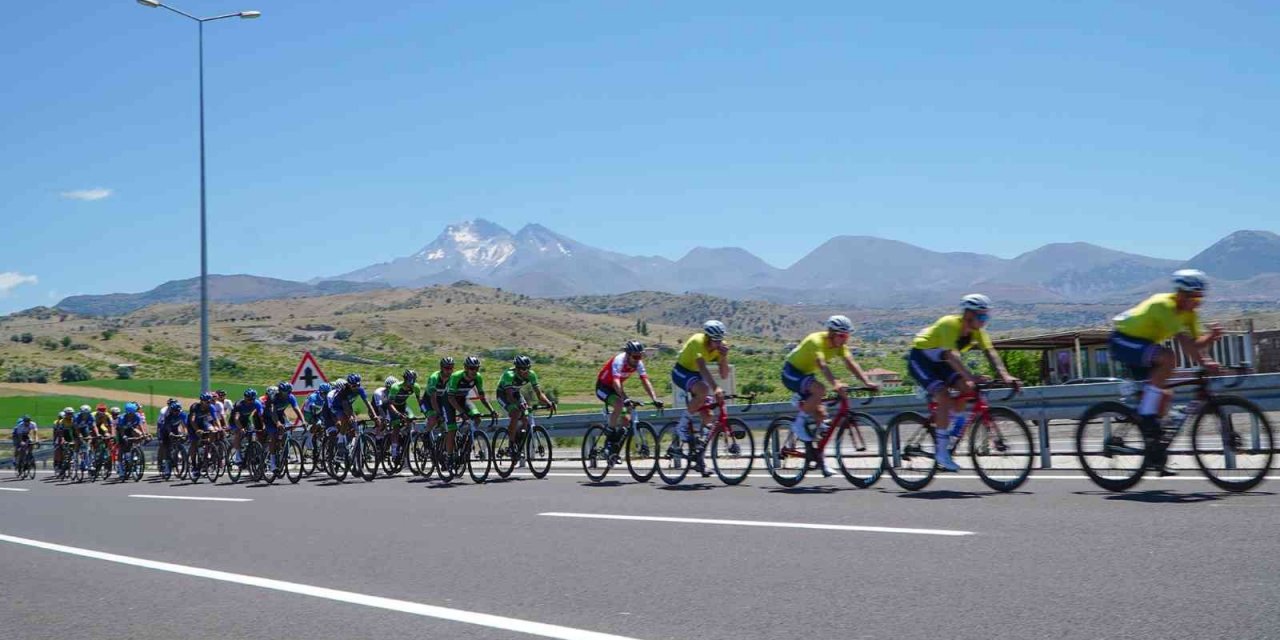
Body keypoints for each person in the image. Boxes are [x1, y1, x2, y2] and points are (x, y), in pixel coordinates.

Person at [1110, 269, 1222, 474]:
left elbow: (1196, 343)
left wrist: (1211, 337)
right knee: (1168, 357)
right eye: (1195, 297)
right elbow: (1184, 341)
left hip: (1144, 345)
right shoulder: (1164, 305)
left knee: (1165, 395)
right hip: (1124, 340)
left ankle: (1153, 452)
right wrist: (1206, 363)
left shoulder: (1189, 313)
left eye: (1200, 297)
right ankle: (1146, 416)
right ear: (1181, 294)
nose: (1198, 302)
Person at [906, 294, 1019, 472]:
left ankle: (949, 430)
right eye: (981, 316)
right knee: (943, 394)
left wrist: (1005, 375)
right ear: (968, 314)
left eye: (986, 316)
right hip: (921, 359)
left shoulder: (977, 332)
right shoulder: (949, 324)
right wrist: (970, 376)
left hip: (941, 362)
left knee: (967, 389)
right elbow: (952, 355)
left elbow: (991, 352)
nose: (984, 321)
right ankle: (942, 452)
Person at [781, 315, 880, 473]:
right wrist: (836, 384)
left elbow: (851, 363)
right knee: (820, 389)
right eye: (842, 335)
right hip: (791, 372)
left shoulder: (840, 346)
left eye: (847, 336)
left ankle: (820, 459)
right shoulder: (816, 341)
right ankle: (798, 424)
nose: (845, 339)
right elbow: (822, 365)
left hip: (806, 375)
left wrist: (867, 382)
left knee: (821, 416)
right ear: (831, 333)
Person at [671, 320, 731, 448]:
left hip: (695, 374)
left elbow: (724, 375)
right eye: (716, 340)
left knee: (708, 414)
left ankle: (699, 452)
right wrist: (716, 388)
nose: (718, 343)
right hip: (681, 371)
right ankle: (681, 427)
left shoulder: (720, 346)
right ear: (707, 338)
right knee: (704, 389)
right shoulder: (697, 342)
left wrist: (724, 357)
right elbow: (703, 368)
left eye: (721, 340)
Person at [495, 356, 555, 460]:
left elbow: (539, 394)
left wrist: (549, 403)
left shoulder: (531, 375)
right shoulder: (509, 375)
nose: (526, 371)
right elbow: (509, 396)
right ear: (517, 368)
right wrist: (518, 405)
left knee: (526, 419)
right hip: (503, 394)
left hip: (516, 393)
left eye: (528, 368)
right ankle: (511, 446)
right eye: (523, 369)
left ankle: (518, 445)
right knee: (515, 413)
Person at [596, 340, 663, 432]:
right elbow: (615, 381)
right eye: (635, 356)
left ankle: (619, 439)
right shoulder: (619, 361)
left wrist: (654, 399)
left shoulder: (638, 363)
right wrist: (624, 398)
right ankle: (610, 435)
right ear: (628, 355)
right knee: (619, 404)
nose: (638, 359)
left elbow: (645, 381)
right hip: (603, 387)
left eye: (640, 356)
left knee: (627, 416)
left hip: (617, 388)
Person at [444, 356, 496, 459]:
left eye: (476, 368)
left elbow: (482, 397)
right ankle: (449, 456)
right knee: (452, 429)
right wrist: (462, 412)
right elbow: (451, 399)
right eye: (472, 368)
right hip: (449, 400)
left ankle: (465, 439)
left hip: (463, 399)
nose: (474, 371)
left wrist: (492, 410)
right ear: (466, 368)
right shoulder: (456, 376)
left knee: (477, 419)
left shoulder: (478, 377)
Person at [385, 369, 425, 460]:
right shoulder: (395, 387)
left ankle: (405, 438)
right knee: (396, 427)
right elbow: (389, 403)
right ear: (405, 379)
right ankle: (394, 451)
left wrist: (424, 411)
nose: (411, 382)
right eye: (409, 380)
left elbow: (420, 401)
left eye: (413, 380)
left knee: (411, 419)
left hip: (404, 406)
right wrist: (397, 413)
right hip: (393, 407)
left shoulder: (416, 387)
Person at [228, 389, 264, 465]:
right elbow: (236, 418)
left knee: (252, 435)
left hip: (245, 421)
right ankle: (237, 456)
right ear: (245, 398)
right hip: (234, 422)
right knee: (238, 433)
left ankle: (249, 453)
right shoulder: (239, 404)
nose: (250, 401)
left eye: (252, 399)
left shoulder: (257, 403)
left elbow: (261, 416)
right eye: (249, 399)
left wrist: (263, 426)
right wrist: (241, 428)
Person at [115, 402, 147, 478]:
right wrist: (124, 437)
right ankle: (120, 467)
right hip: (121, 431)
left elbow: (140, 425)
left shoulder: (137, 416)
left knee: (138, 434)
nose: (132, 415)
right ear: (127, 413)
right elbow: (121, 430)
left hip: (130, 429)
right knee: (122, 448)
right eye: (130, 414)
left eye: (133, 413)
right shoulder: (122, 418)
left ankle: (135, 451)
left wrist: (143, 434)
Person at [156, 399, 187, 476]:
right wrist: (170, 433)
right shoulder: (167, 414)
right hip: (165, 429)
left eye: (178, 411)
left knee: (179, 439)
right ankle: (166, 465)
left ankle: (178, 454)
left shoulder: (182, 414)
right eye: (175, 411)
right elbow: (167, 426)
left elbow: (184, 425)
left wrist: (185, 433)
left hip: (175, 427)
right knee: (165, 446)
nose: (177, 412)